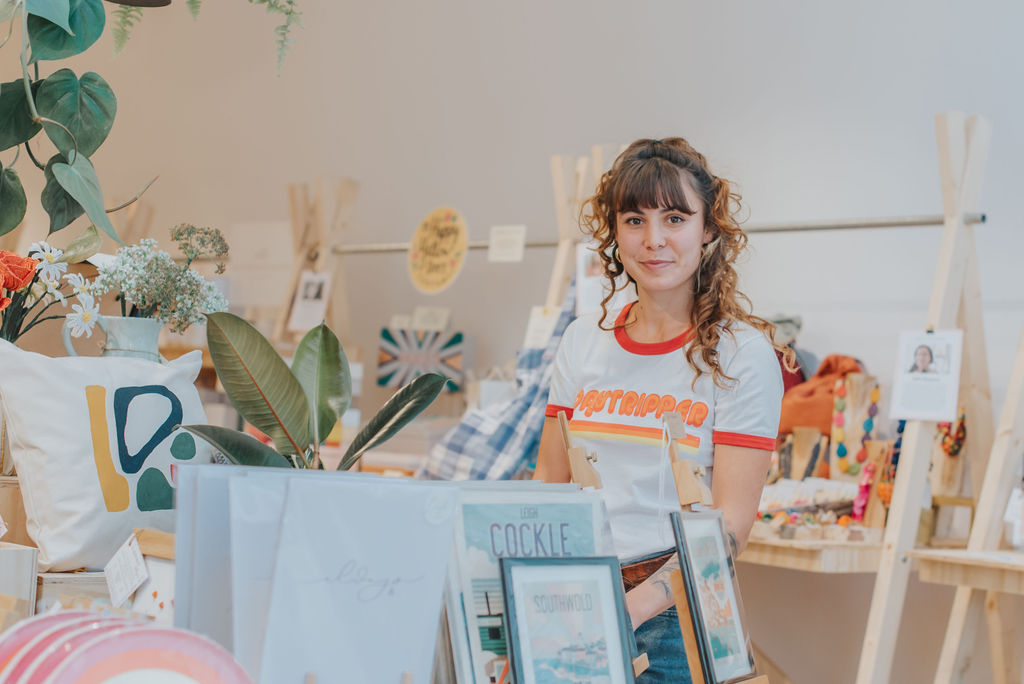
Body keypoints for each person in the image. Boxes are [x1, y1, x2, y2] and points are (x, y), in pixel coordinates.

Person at [534, 138, 790, 682]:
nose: (654, 240)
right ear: (615, 232)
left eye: (675, 218)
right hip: (578, 601)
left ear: (709, 229)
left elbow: (731, 527)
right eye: (635, 220)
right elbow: (549, 488)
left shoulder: (741, 355)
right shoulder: (583, 340)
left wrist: (631, 607)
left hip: (680, 617)